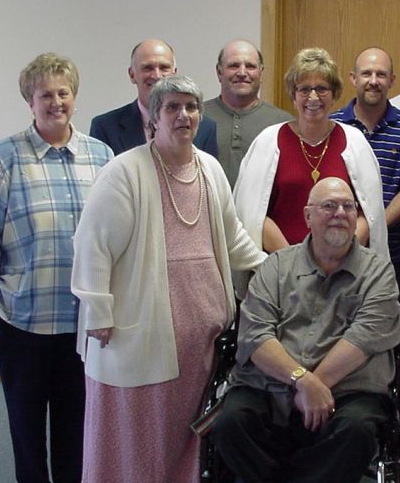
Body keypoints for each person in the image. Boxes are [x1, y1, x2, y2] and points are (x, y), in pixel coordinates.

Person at [71, 75, 266, 483]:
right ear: (154, 119)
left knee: (186, 440)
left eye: (191, 107)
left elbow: (233, 237)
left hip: (201, 345)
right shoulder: (124, 172)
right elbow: (92, 244)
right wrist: (98, 310)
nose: (183, 115)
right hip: (139, 338)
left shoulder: (210, 168)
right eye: (172, 107)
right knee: (139, 439)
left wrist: (272, 268)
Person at [0, 52, 113, 483]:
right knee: (26, 427)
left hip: (82, 325)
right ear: (30, 101)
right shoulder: (3, 157)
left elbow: (114, 232)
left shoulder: (100, 155)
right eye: (45, 95)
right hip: (21, 322)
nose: (55, 102)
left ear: (75, 98)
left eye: (63, 93)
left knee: (76, 426)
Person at [212, 177, 400, 483]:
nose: (340, 213)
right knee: (230, 424)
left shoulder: (378, 272)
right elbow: (255, 334)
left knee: (356, 433)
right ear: (307, 216)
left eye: (348, 206)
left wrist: (316, 387)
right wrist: (301, 381)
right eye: (329, 206)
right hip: (269, 385)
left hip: (347, 392)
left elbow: (365, 336)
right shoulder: (275, 266)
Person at [233, 47, 388, 259]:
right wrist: (294, 262)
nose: (313, 97)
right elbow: (253, 214)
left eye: (322, 89)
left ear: (334, 94)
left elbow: (369, 213)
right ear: (293, 94)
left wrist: (340, 258)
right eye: (304, 89)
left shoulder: (355, 141)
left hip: (345, 267)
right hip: (282, 267)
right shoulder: (268, 141)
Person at [330, 46, 400, 343]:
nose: (373, 81)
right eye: (366, 73)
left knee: (396, 340)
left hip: (396, 258)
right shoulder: (332, 126)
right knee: (338, 339)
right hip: (338, 257)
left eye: (381, 74)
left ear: (392, 80)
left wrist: (372, 227)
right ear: (353, 78)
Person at [90, 38, 218, 157]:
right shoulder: (105, 127)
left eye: (164, 68)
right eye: (148, 68)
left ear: (174, 73)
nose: (157, 76)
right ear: (132, 75)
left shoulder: (205, 128)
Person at [203, 39, 292, 186]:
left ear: (261, 73)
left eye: (250, 66)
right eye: (234, 65)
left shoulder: (284, 124)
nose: (242, 73)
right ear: (219, 72)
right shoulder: (196, 118)